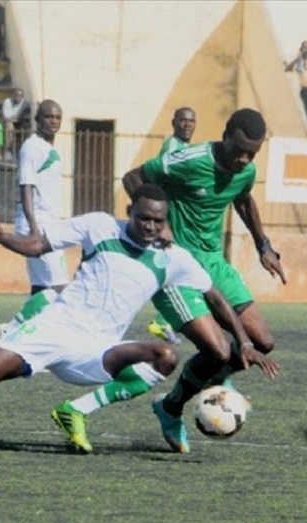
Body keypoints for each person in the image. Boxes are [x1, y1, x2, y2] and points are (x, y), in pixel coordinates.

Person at [0, 185, 273, 454]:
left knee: (164, 355)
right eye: (143, 219)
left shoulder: (173, 259)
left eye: (158, 222)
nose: (150, 228)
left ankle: (73, 412)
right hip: (54, 328)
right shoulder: (100, 226)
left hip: (98, 349)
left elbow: (213, 296)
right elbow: (39, 246)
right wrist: (3, 238)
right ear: (129, 214)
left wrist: (243, 342)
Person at [122, 108, 286, 453]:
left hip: (214, 262)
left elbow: (243, 199)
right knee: (217, 349)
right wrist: (158, 230)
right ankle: (173, 406)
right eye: (239, 149)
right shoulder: (188, 159)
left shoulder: (247, 170)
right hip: (178, 264)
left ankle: (197, 388)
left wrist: (263, 245)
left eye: (252, 154)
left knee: (263, 342)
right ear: (225, 135)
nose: (244, 159)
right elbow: (133, 178)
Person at [0, 99, 68, 340]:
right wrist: (35, 230)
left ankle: (28, 339)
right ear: (37, 119)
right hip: (40, 225)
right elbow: (26, 187)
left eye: (57, 117)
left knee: (41, 289)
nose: (53, 121)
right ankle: (11, 330)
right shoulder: (33, 147)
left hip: (48, 223)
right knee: (59, 289)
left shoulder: (47, 148)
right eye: (48, 116)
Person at [148, 106, 198, 343]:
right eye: (183, 120)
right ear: (173, 122)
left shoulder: (187, 149)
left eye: (191, 121)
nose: (187, 124)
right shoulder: (172, 147)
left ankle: (166, 321)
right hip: (174, 220)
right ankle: (163, 321)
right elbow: (160, 181)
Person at [2, 87, 32, 161]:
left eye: (19, 96)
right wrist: (15, 117)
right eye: (16, 95)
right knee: (9, 125)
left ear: (22, 97)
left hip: (20, 123)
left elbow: (25, 117)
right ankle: (8, 151)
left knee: (27, 126)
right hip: (9, 123)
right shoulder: (7, 102)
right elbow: (6, 117)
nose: (17, 97)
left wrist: (15, 117)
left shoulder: (26, 104)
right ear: (13, 95)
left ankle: (26, 150)